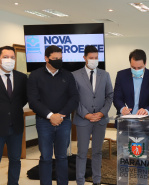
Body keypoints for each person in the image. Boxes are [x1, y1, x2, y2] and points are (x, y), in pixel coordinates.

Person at [27, 45, 77, 185]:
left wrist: (60, 115)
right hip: (44, 122)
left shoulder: (68, 75)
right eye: (55, 59)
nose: (58, 61)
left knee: (62, 157)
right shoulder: (35, 76)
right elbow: (33, 101)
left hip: (63, 121)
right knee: (46, 158)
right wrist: (50, 115)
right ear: (46, 58)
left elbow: (74, 98)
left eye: (60, 58)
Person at [113, 49, 149, 184]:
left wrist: (147, 110)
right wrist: (122, 108)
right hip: (125, 123)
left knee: (141, 159)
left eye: (139, 67)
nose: (136, 69)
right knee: (123, 158)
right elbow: (117, 97)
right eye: (133, 67)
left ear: (145, 63)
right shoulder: (121, 75)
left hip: (142, 125)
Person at [72, 45, 113, 185]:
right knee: (82, 153)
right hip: (83, 120)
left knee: (97, 152)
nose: (94, 60)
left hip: (100, 120)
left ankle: (97, 180)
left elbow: (109, 96)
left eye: (96, 58)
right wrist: (87, 115)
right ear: (84, 58)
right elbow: (74, 98)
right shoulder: (75, 75)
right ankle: (80, 181)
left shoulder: (105, 74)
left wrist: (102, 112)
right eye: (91, 58)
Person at [0, 46, 27, 185]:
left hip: (16, 126)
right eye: (5, 57)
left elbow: (23, 99)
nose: (9, 60)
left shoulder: (21, 77)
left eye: (12, 57)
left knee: (15, 159)